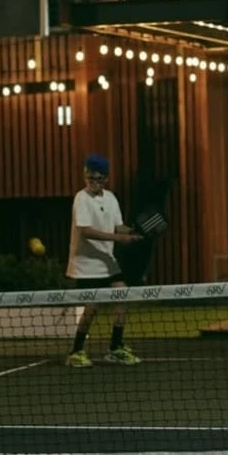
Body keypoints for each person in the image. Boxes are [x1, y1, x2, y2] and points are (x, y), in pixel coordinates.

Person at [64, 153, 142, 367]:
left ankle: (115, 347)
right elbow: (86, 231)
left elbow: (118, 227)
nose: (93, 183)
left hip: (108, 262)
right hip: (86, 265)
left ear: (106, 179)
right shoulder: (81, 199)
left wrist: (134, 232)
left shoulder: (111, 198)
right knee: (91, 308)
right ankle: (76, 351)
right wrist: (119, 238)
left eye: (98, 179)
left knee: (122, 296)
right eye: (90, 178)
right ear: (85, 175)